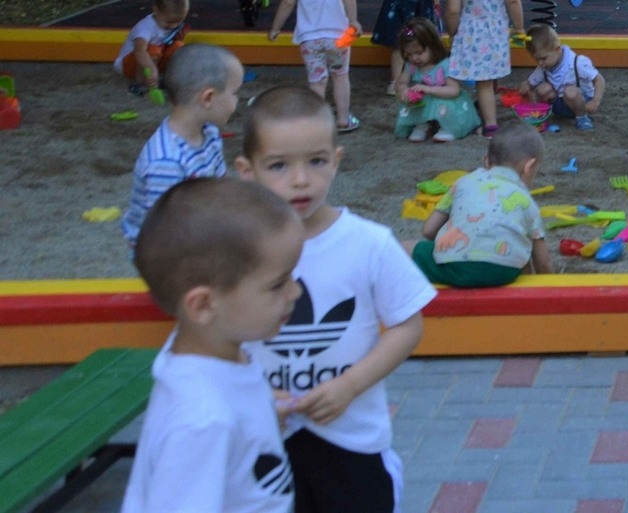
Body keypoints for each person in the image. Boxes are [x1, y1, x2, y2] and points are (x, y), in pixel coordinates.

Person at [238, 86, 432, 513]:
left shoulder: (368, 244)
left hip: (353, 440)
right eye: (278, 165)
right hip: (263, 437)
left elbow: (407, 324)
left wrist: (350, 385)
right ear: (246, 170)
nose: (301, 179)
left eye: (316, 161)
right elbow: (216, 340)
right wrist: (250, 397)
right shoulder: (232, 252)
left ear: (337, 160)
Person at [123, 178, 304, 513]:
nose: (295, 293)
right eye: (278, 283)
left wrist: (258, 410)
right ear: (204, 306)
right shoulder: (202, 422)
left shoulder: (213, 355)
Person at [122, 44, 242, 246]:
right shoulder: (166, 161)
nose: (237, 101)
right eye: (235, 93)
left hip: (195, 226)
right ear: (209, 98)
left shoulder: (209, 133)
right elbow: (163, 231)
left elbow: (220, 188)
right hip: (164, 253)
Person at [413, 124, 550, 288]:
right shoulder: (526, 201)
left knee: (406, 248)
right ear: (529, 167)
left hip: (455, 267)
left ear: (486, 161)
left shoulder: (463, 182)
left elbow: (428, 230)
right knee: (520, 248)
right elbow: (543, 263)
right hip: (503, 272)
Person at [267, 0, 362, 134]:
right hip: (338, 36)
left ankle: (316, 124)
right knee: (340, 76)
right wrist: (353, 19)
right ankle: (342, 120)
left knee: (317, 82)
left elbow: (288, 2)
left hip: (309, 38)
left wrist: (275, 27)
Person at [443, 0, 521, 136]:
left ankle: (490, 124)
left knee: (483, 82)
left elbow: (453, 9)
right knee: (489, 76)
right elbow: (513, 1)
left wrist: (452, 31)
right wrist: (520, 26)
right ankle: (484, 109)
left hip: (472, 33)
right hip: (496, 32)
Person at [392, 17, 478, 144]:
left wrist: (428, 89)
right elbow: (400, 83)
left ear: (432, 46)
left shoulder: (445, 64)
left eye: (419, 52)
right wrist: (403, 89)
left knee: (444, 105)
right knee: (416, 103)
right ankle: (422, 124)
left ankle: (448, 127)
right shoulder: (412, 65)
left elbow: (454, 90)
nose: (414, 58)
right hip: (425, 101)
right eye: (409, 54)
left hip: (448, 101)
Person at [521, 23, 604, 130]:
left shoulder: (577, 63)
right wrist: (525, 87)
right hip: (559, 104)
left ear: (557, 49)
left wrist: (595, 101)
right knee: (543, 89)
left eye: (543, 58)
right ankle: (542, 115)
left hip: (581, 103)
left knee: (570, 92)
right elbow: (529, 83)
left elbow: (599, 79)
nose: (540, 63)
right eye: (537, 60)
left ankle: (582, 118)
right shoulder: (544, 67)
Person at [114, 0, 189, 97]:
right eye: (169, 22)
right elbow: (139, 51)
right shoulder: (145, 27)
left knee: (178, 46)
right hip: (129, 64)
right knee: (153, 50)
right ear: (155, 10)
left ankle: (164, 78)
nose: (173, 25)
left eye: (178, 22)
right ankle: (139, 84)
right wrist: (151, 68)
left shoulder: (169, 24)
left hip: (154, 59)